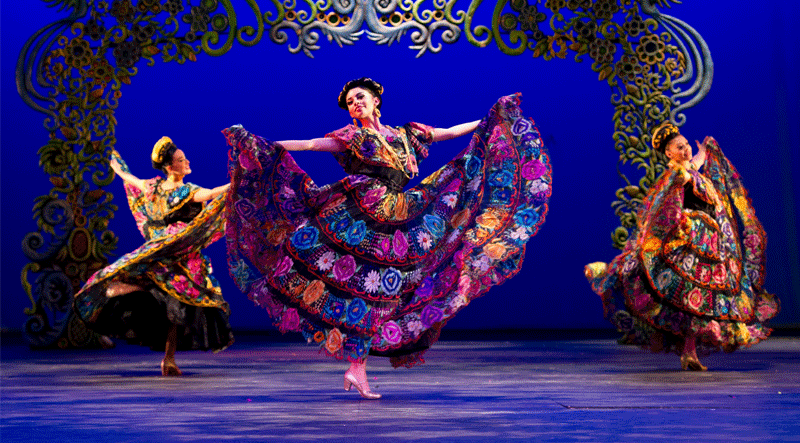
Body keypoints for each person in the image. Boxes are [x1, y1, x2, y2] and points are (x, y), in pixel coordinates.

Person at [224, 78, 552, 398]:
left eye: (360, 97)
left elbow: (449, 132)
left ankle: (357, 366)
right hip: (361, 210)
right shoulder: (352, 136)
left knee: (384, 290)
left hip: (398, 211)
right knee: (364, 286)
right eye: (350, 101)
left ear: (375, 100)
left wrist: (491, 119)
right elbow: (311, 144)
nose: (355, 103)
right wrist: (263, 146)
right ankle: (356, 364)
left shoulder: (406, 134)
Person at [585, 122, 779, 370]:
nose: (686, 150)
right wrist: (683, 175)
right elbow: (677, 185)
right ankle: (611, 271)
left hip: (710, 243)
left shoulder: (689, 168)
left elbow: (695, 163)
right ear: (668, 153)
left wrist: (703, 151)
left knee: (697, 300)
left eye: (687, 145)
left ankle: (690, 352)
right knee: (685, 295)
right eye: (680, 147)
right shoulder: (679, 174)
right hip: (692, 240)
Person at [74, 137, 233, 376]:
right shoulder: (186, 192)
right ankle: (128, 290)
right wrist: (237, 183)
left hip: (168, 252)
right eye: (181, 160)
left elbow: (129, 178)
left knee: (175, 307)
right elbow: (212, 194)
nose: (187, 162)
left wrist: (114, 161)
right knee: (177, 303)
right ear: (170, 167)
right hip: (175, 255)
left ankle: (168, 359)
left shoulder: (153, 188)